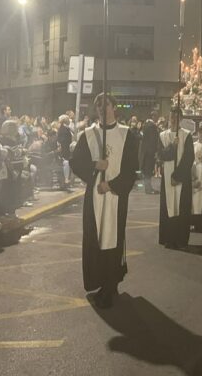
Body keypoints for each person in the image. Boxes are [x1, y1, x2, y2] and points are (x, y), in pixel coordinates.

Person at [70, 93, 138, 309]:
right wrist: (94, 167)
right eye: (98, 104)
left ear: (114, 107)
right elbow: (75, 162)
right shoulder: (88, 134)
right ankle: (98, 281)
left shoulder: (127, 135)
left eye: (106, 104)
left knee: (113, 238)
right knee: (95, 237)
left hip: (115, 195)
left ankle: (110, 286)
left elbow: (130, 168)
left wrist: (112, 185)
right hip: (94, 197)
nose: (101, 108)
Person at [158, 108, 193, 250]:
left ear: (182, 118)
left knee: (181, 207)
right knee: (168, 207)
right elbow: (161, 155)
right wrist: (173, 146)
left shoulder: (186, 135)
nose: (174, 119)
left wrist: (177, 176)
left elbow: (188, 158)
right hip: (166, 177)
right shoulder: (162, 136)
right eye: (172, 116)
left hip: (181, 177)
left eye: (177, 117)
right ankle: (168, 238)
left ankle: (181, 239)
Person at [141, 111, 161, 194]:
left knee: (147, 170)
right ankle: (148, 189)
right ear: (153, 116)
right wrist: (156, 151)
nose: (157, 118)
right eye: (156, 116)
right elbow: (153, 140)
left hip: (145, 151)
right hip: (150, 151)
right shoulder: (152, 126)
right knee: (148, 170)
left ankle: (148, 188)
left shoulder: (146, 124)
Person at [57, 114, 74, 190]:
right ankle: (66, 181)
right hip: (65, 149)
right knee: (67, 163)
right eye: (67, 119)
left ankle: (67, 181)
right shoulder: (64, 129)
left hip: (66, 149)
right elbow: (63, 140)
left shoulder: (64, 128)